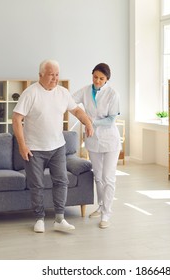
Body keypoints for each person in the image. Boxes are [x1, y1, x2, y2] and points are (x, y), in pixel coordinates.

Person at [12, 59, 94, 233]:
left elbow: (76, 110)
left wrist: (88, 123)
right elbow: (17, 119)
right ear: (41, 75)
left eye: (57, 75)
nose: (55, 78)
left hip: (57, 147)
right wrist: (22, 146)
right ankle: (39, 218)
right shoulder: (30, 93)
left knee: (61, 181)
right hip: (34, 149)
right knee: (37, 185)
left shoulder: (63, 93)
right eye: (51, 75)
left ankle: (59, 219)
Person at [72, 63, 121, 229]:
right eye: (95, 77)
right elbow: (70, 100)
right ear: (92, 75)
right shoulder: (86, 90)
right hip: (93, 140)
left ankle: (107, 213)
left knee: (108, 177)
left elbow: (111, 119)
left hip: (110, 140)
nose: (97, 81)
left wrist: (91, 121)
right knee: (98, 177)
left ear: (107, 79)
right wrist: (82, 116)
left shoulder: (113, 94)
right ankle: (100, 207)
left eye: (101, 78)